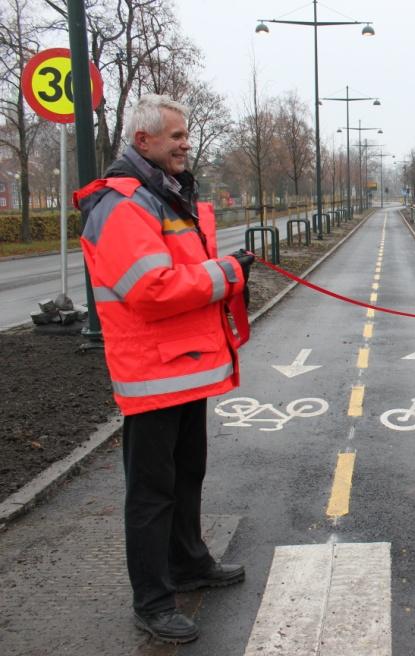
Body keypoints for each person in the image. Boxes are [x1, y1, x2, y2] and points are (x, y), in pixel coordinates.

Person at [75, 94, 254, 643]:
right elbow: (148, 290)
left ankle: (189, 562)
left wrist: (220, 272)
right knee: (152, 494)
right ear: (143, 141)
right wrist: (227, 274)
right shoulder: (123, 204)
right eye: (175, 136)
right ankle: (153, 600)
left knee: (186, 475)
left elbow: (179, 270)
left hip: (184, 368)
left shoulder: (165, 196)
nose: (185, 144)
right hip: (152, 375)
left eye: (185, 135)